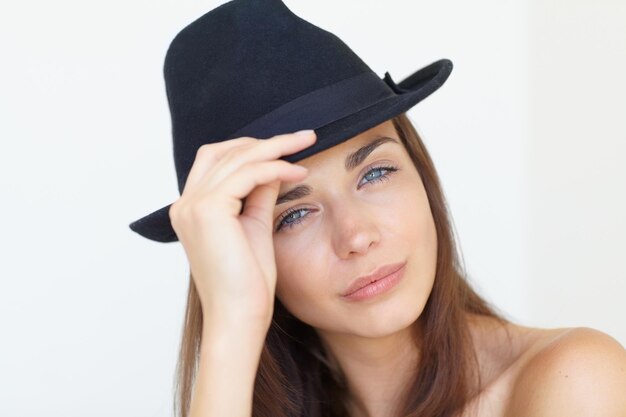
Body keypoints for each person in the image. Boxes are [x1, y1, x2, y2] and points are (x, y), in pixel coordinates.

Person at [128, 1, 626, 416]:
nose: (357, 236)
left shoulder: (571, 381)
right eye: (293, 214)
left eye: (374, 173)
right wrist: (232, 322)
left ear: (420, 172)